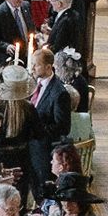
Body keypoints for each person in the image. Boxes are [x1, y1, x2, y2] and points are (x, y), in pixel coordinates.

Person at [26, 45, 77, 195]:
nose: (33, 68)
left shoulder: (59, 93)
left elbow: (63, 127)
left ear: (48, 67)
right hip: (30, 147)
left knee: (43, 190)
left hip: (43, 150)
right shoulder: (35, 84)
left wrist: (37, 131)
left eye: (36, 65)